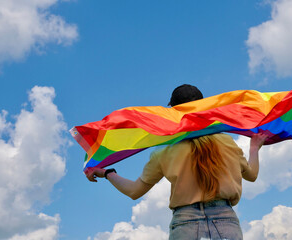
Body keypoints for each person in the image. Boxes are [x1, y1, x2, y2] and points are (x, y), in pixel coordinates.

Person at [86, 84, 268, 240]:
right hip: (226, 221)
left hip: (185, 224)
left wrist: (107, 173)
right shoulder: (226, 142)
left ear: (173, 112)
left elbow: (134, 191)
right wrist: (254, 148)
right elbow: (252, 175)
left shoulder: (165, 152)